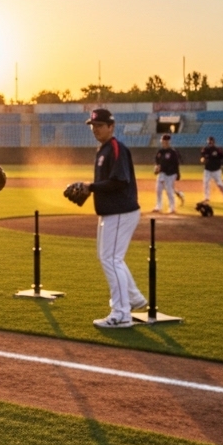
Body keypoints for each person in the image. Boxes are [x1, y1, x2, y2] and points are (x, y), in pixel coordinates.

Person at [83, 108, 147, 329]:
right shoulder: (103, 150)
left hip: (121, 210)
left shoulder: (116, 148)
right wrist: (90, 189)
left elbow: (120, 181)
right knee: (108, 257)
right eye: (93, 126)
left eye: (100, 125)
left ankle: (122, 314)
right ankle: (134, 297)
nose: (95, 130)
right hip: (110, 211)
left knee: (111, 259)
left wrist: (90, 187)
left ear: (111, 126)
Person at [152, 134, 183, 213]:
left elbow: (176, 163)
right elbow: (157, 162)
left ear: (169, 142)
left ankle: (172, 207)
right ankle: (158, 206)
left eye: (166, 141)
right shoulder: (160, 151)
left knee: (169, 190)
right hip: (162, 173)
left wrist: (178, 174)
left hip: (171, 173)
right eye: (163, 140)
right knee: (158, 189)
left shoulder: (173, 152)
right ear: (161, 141)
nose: (164, 142)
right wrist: (156, 168)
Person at [199, 135, 223, 203]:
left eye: (211, 141)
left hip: (216, 170)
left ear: (214, 142)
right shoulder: (205, 149)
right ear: (207, 142)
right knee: (206, 183)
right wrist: (202, 159)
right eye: (209, 141)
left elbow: (222, 158)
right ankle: (206, 197)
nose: (210, 143)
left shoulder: (218, 150)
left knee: (219, 184)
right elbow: (202, 157)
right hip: (207, 169)